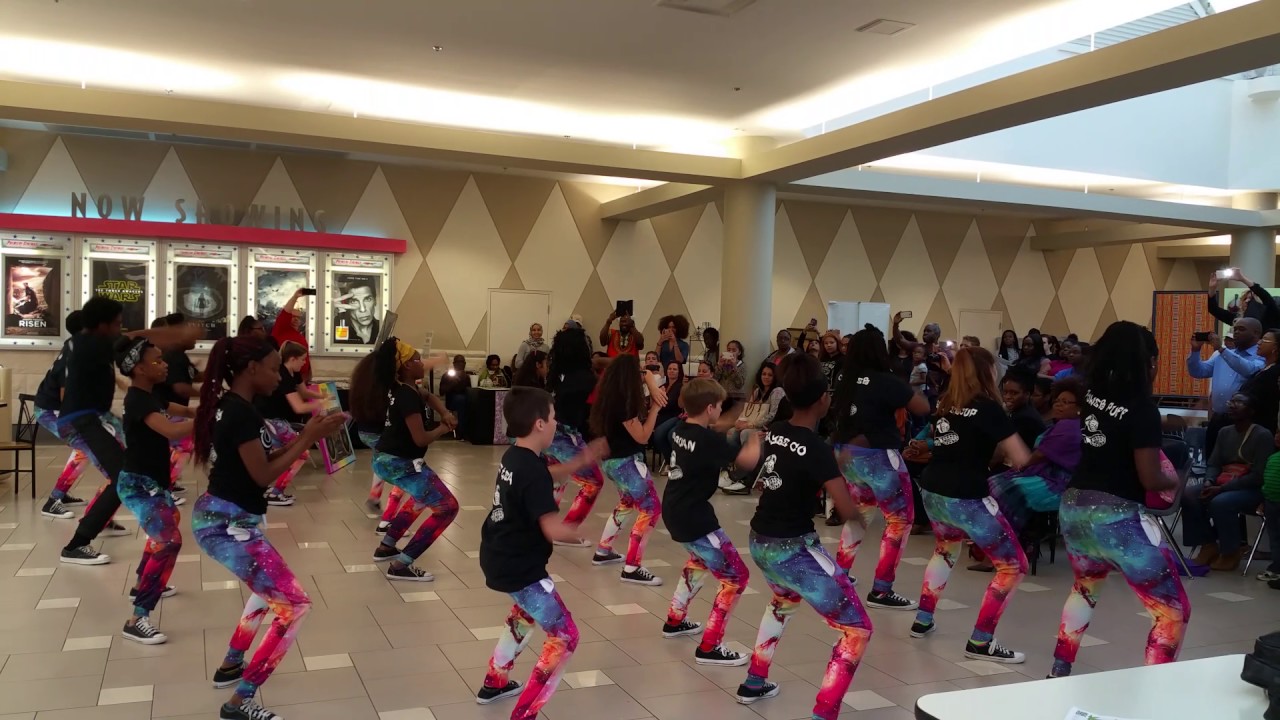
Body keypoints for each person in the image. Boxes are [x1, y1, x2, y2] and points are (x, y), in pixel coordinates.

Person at [191, 335, 346, 720]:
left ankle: (231, 663)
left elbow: (260, 459)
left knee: (267, 593)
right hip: (225, 523)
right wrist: (308, 437)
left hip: (230, 517)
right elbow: (262, 475)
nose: (281, 376)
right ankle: (239, 703)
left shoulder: (239, 407)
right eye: (275, 368)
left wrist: (311, 436)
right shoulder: (239, 412)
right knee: (294, 607)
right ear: (251, 369)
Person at [733, 354, 870, 720]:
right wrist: (860, 517)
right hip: (793, 549)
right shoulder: (818, 447)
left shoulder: (776, 428)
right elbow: (844, 508)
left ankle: (754, 680)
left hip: (760, 541)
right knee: (857, 629)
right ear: (824, 398)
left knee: (782, 602)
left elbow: (782, 468)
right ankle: (824, 713)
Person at [1050, 321, 1190, 678]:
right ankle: (1154, 694)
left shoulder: (1092, 394)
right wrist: (1174, 477)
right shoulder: (1142, 408)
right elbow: (1150, 477)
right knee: (1172, 611)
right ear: (1149, 362)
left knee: (1085, 589)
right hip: (1114, 515)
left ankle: (1058, 672)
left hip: (1073, 505)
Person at [474, 388, 594, 718]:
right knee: (566, 635)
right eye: (554, 418)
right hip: (520, 567)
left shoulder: (517, 456)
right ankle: (524, 713)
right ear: (540, 424)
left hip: (500, 554)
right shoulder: (530, 468)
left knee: (525, 612)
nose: (557, 424)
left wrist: (576, 463)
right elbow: (551, 527)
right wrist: (581, 532)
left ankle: (495, 680)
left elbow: (539, 478)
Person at [911, 346, 1031, 663]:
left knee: (945, 550)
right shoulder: (990, 409)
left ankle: (923, 619)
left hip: (933, 490)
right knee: (1013, 566)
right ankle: (981, 641)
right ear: (986, 371)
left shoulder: (948, 404)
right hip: (967, 497)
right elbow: (1019, 457)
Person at [58, 297, 199, 566]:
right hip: (84, 420)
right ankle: (77, 543)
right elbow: (134, 339)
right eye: (117, 324)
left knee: (127, 476)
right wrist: (177, 334)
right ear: (103, 325)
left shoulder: (90, 344)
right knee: (123, 478)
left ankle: (94, 533)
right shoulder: (92, 344)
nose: (120, 330)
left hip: (95, 417)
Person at [661, 378, 761, 666]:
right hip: (695, 518)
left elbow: (715, 426)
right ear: (709, 408)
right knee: (736, 577)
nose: (720, 411)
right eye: (718, 406)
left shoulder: (682, 428)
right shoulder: (708, 441)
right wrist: (754, 437)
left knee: (698, 560)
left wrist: (732, 417)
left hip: (675, 510)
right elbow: (746, 461)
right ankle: (710, 646)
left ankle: (675, 619)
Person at [830, 327, 931, 610]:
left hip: (847, 454)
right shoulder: (887, 381)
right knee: (899, 521)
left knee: (860, 513)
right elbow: (922, 407)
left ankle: (841, 574)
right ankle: (882, 590)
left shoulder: (844, 378)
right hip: (878, 456)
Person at [114, 338, 191, 645]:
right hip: (137, 485)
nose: (165, 364)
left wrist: (212, 410)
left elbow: (182, 410)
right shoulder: (138, 400)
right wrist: (210, 424)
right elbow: (171, 429)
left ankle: (140, 583)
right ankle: (137, 618)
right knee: (168, 541)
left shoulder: (152, 394)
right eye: (158, 361)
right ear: (140, 368)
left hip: (152, 483)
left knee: (164, 528)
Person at [361, 339, 456, 581]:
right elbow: (420, 439)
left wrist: (444, 412)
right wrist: (443, 428)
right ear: (403, 366)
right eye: (415, 359)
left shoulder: (405, 388)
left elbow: (429, 396)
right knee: (447, 507)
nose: (420, 362)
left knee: (421, 496)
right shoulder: (406, 395)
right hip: (398, 461)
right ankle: (402, 565)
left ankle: (387, 546)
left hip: (386, 459)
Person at [972, 379, 1085, 572]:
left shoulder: (1069, 427)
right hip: (1044, 475)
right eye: (1058, 400)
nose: (1059, 405)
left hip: (1055, 483)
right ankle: (1008, 545)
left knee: (1001, 490)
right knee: (994, 484)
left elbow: (1039, 455)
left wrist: (1021, 466)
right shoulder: (1062, 424)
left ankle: (1002, 551)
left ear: (1079, 408)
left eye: (1066, 402)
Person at [589, 354, 668, 585]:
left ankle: (603, 550)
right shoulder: (623, 401)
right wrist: (655, 409)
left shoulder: (611, 394)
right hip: (626, 463)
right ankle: (632, 567)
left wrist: (651, 382)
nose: (642, 375)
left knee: (625, 504)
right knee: (651, 509)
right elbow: (643, 437)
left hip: (613, 461)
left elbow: (647, 374)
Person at [1182, 391, 1272, 572]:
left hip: (1251, 489)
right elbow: (1214, 463)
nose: (1232, 405)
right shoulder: (1224, 432)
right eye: (1232, 401)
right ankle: (1208, 544)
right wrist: (1208, 482)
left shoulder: (1262, 435)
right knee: (1188, 495)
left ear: (1252, 411)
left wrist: (1221, 488)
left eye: (1239, 403)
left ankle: (1231, 551)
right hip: (1223, 483)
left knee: (1220, 502)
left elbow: (1258, 476)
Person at [544, 327, 607, 543]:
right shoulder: (584, 377)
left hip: (548, 433)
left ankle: (543, 527)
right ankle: (567, 530)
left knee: (557, 480)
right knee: (594, 482)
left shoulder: (556, 373)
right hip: (564, 434)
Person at [33, 310, 91, 519]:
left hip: (53, 407)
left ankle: (62, 494)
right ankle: (53, 501)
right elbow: (67, 394)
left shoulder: (74, 345)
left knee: (82, 447)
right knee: (84, 449)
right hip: (50, 410)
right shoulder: (74, 352)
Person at [258, 341, 327, 506]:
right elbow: (299, 407)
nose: (304, 363)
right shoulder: (283, 376)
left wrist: (323, 396)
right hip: (269, 419)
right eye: (302, 359)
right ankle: (275, 492)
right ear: (292, 358)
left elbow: (303, 392)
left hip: (279, 419)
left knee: (284, 451)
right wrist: (321, 405)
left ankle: (267, 489)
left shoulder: (293, 373)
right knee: (300, 452)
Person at [1186, 317, 1264, 458]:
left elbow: (1249, 370)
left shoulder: (1260, 355)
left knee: (1234, 463)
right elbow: (1198, 371)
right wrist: (1195, 350)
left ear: (1256, 333)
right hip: (1218, 418)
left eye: (1242, 329)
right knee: (1211, 460)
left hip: (1242, 422)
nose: (1236, 333)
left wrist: (1222, 349)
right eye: (1235, 329)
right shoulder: (1220, 355)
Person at [351, 351, 405, 535]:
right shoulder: (387, 386)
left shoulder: (364, 380)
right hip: (379, 434)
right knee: (403, 472)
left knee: (382, 463)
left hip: (365, 432)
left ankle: (374, 497)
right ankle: (387, 523)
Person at [722, 361, 785, 494]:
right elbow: (748, 411)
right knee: (732, 432)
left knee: (746, 434)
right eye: (764, 374)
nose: (766, 377)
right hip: (751, 424)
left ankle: (741, 476)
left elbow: (773, 415)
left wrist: (750, 425)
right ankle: (732, 469)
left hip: (766, 427)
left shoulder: (777, 391)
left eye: (770, 375)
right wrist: (739, 421)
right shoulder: (757, 391)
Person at [1208, 267, 1280, 330]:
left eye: (1251, 299)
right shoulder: (1238, 320)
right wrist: (1212, 288)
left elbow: (1265, 297)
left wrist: (1242, 279)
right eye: (1245, 299)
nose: (1247, 301)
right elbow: (1213, 309)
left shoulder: (1271, 315)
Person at [1240, 329, 1280, 434]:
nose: (1259, 342)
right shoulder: (1262, 369)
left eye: (1265, 340)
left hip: (1264, 428)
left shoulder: (1275, 373)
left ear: (1275, 347)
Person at [269, 288, 311, 382]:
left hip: (300, 380)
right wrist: (295, 297)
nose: (296, 320)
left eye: (298, 318)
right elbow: (286, 313)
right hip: (286, 379)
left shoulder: (298, 335)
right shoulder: (281, 330)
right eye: (293, 317)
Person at [1001, 370, 1047, 451]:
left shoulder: (1025, 418)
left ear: (1027, 394)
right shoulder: (1021, 411)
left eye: (1014, 393)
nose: (1007, 397)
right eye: (1005, 392)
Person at [331, 278, 380, 345]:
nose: (362, 309)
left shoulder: (383, 328)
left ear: (375, 300)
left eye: (368, 299)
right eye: (354, 301)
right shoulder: (333, 324)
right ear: (345, 303)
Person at [439, 355, 472, 439]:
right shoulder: (447, 375)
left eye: (462, 362)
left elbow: (470, 390)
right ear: (454, 364)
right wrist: (453, 382)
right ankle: (461, 432)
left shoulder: (467, 376)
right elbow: (441, 392)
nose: (460, 364)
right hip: (452, 401)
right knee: (461, 400)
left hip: (466, 400)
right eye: (458, 362)